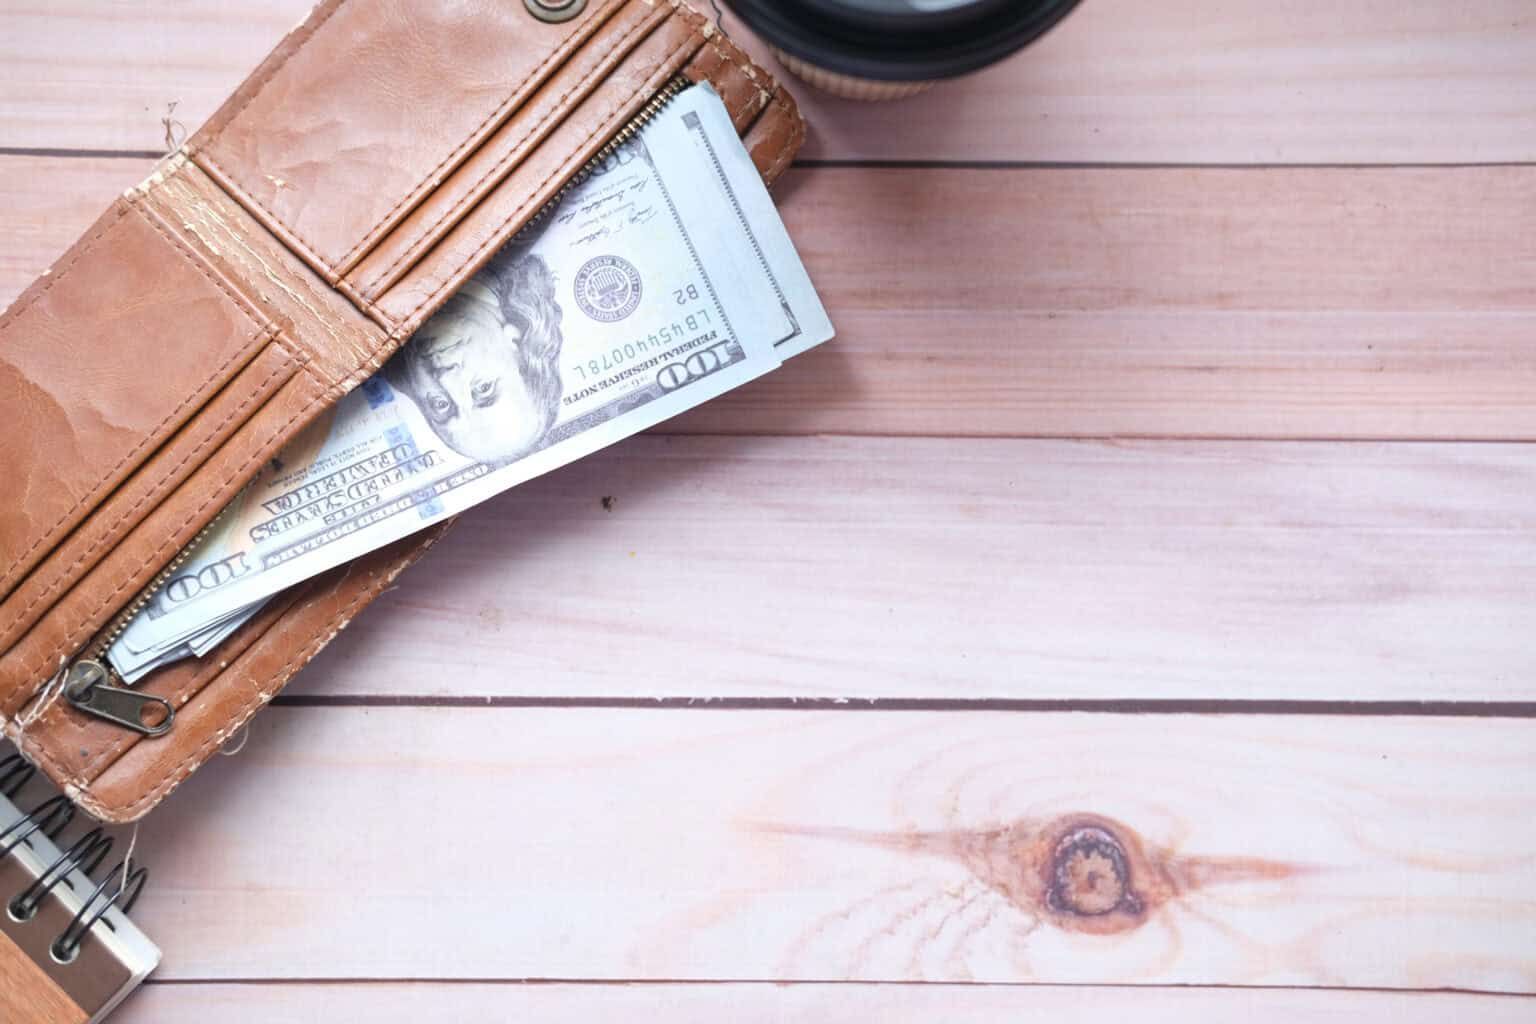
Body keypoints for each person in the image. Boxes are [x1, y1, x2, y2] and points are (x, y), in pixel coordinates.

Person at [384, 250, 564, 465]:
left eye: (441, 405)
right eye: (483, 388)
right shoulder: (512, 239)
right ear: (517, 343)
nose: (446, 380)